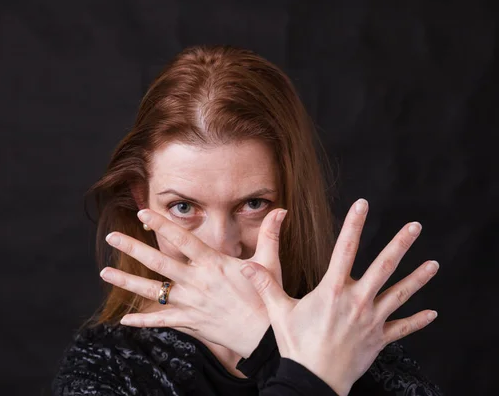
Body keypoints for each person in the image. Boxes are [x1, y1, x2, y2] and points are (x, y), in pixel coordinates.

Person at [52, 45, 443, 395]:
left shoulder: (348, 336)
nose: (222, 245)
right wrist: (296, 366)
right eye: (183, 207)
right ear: (142, 201)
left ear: (293, 199)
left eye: (253, 203)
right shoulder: (106, 366)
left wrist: (263, 339)